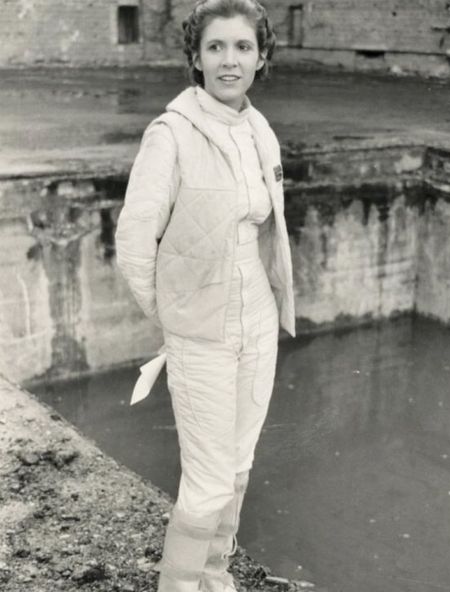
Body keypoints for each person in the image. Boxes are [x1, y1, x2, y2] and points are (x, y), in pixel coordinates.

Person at [114, 0, 296, 590]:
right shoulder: (171, 133)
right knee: (207, 480)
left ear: (261, 57)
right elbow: (135, 241)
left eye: (243, 47)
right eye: (216, 47)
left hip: (259, 321)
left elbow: (267, 231)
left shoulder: (260, 130)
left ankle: (215, 579)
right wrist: (174, 318)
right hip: (201, 331)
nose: (229, 60)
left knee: (238, 466)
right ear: (195, 57)